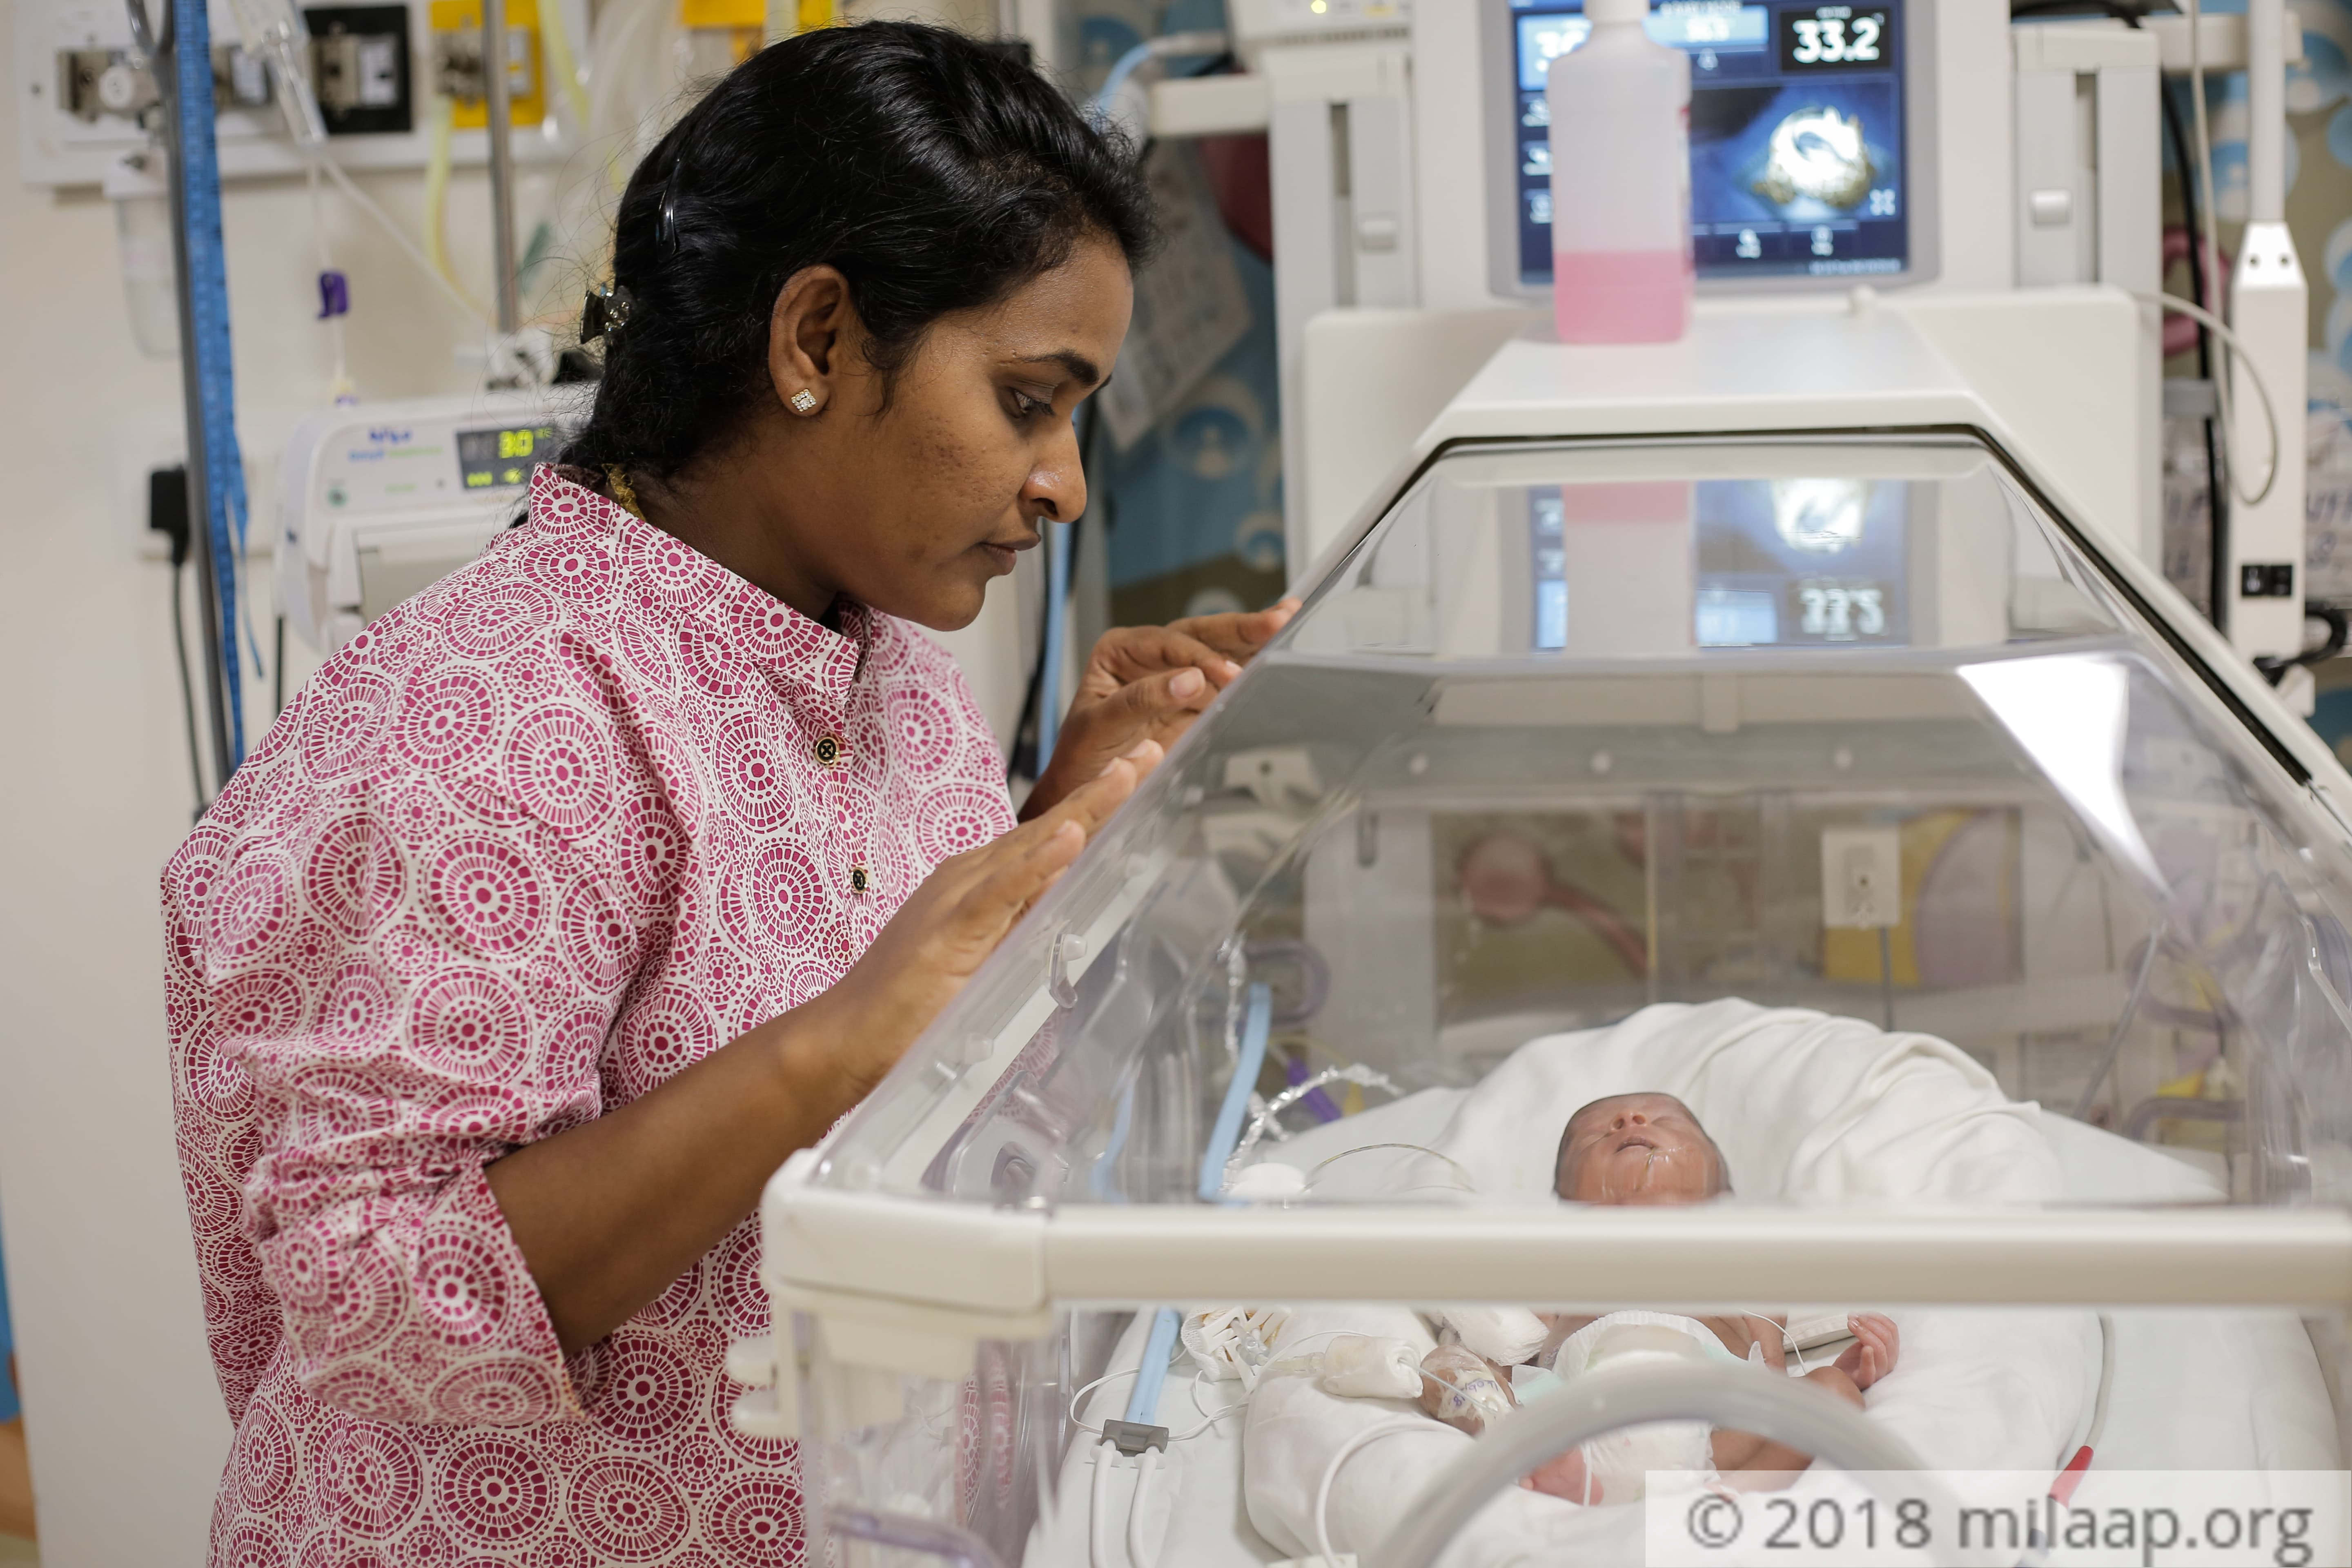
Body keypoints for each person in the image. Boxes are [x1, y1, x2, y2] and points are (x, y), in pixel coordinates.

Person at [163, 24, 1294, 1563]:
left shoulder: (876, 652)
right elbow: (376, 1282)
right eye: (1029, 400)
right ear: (816, 340)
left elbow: (876, 1014)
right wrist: (822, 1054)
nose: (1064, 484)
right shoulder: (490, 719)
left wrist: (1056, 818)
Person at [1418, 1093, 1898, 1501]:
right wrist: (1497, 1384)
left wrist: (1849, 1374)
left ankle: (1735, 1494)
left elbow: (1771, 1372)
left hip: (1712, 1423)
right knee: (1446, 1365)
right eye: (1595, 1135)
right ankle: (1539, 1456)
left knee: (1831, 1394)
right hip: (1575, 1406)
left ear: (1719, 1189)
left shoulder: (1741, 1265)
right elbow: (1520, 1349)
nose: (1630, 1122)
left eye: (1664, 1121)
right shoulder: (1561, 1258)